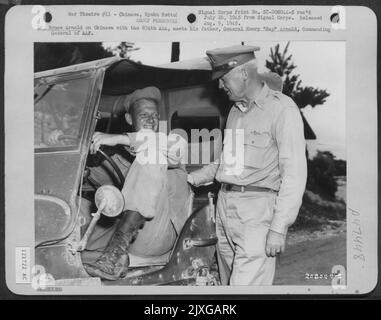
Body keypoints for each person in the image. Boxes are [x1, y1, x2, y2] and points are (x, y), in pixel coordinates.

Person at [187, 45, 307, 285]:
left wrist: (278, 228)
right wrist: (191, 178)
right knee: (225, 285)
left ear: (243, 72)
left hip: (257, 214)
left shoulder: (282, 109)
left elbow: (294, 174)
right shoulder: (235, 111)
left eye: (223, 78)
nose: (220, 86)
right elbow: (227, 162)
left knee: (242, 289)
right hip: (224, 209)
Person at [81, 86, 190, 280]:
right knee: (78, 203)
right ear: (129, 119)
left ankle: (114, 255)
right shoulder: (120, 158)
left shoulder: (168, 143)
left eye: (155, 115)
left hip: (159, 235)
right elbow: (96, 179)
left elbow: (171, 149)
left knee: (150, 154)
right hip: (122, 235)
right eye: (143, 114)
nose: (151, 120)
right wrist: (81, 169)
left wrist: (118, 138)